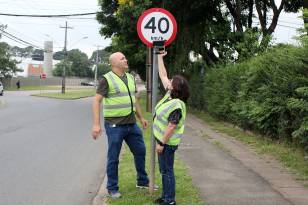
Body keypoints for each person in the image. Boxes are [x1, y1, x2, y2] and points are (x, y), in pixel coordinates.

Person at [91, 52, 153, 198]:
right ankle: (112, 188)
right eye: (122, 58)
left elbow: (134, 100)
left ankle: (142, 181)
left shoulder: (130, 78)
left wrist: (141, 117)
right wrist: (96, 125)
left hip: (131, 125)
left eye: (125, 57)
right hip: (114, 126)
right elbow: (96, 101)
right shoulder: (107, 79)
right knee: (113, 157)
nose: (126, 60)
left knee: (140, 151)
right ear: (113, 63)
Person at [154, 52, 189, 205]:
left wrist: (161, 144)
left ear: (175, 88)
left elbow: (171, 126)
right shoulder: (170, 95)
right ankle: (165, 196)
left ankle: (169, 200)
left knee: (167, 171)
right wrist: (160, 57)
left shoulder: (177, 105)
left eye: (171, 82)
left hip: (167, 143)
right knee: (164, 170)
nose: (168, 81)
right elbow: (162, 74)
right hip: (163, 141)